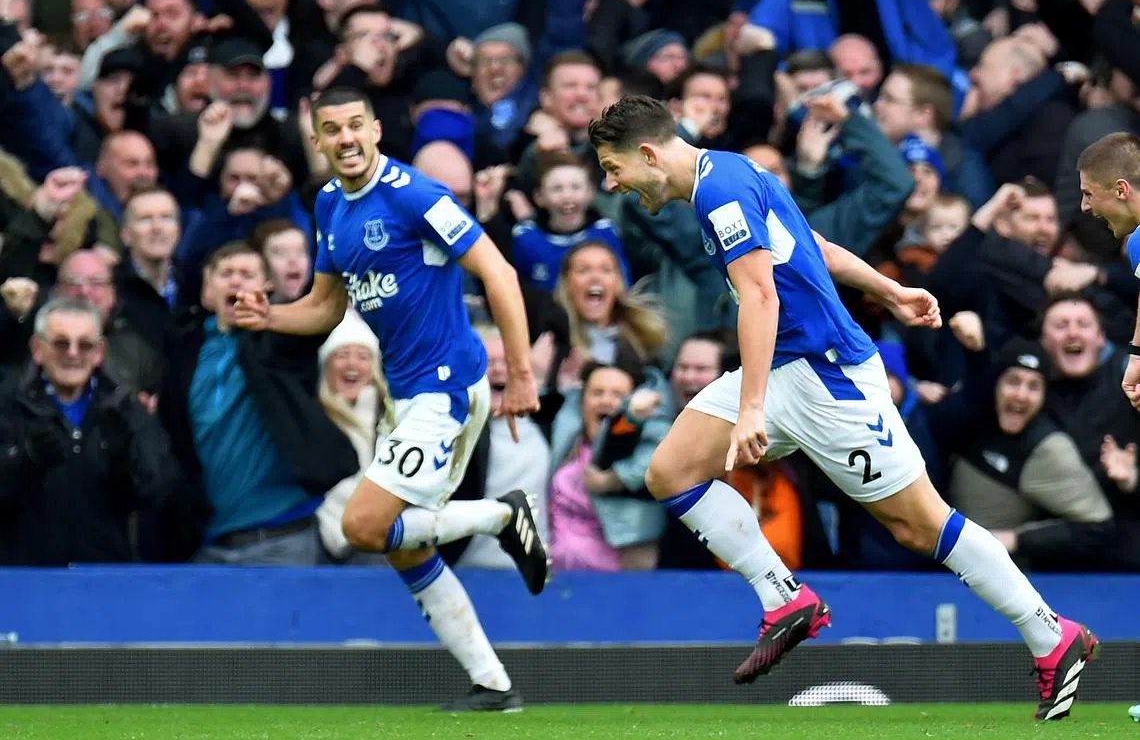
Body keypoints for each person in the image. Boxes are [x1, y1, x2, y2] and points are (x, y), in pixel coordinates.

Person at [587, 95, 1097, 722]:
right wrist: (890, 289)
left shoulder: (721, 192)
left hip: (826, 379)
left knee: (920, 524)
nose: (612, 184)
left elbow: (761, 299)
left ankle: (1052, 634)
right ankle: (784, 599)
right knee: (671, 471)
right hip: (781, 369)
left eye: (613, 168)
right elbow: (814, 245)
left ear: (647, 153)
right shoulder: (729, 172)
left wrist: (749, 411)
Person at [233, 86, 549, 712]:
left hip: (445, 388)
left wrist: (521, 374)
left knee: (362, 526)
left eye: (356, 126)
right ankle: (493, 685)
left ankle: (503, 515)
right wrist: (269, 317)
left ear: (376, 131)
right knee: (405, 545)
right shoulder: (329, 206)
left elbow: (500, 273)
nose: (346, 139)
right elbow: (326, 308)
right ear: (318, 141)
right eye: (332, 129)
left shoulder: (415, 195)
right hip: (404, 396)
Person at [1075, 132, 1140, 412]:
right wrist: (1137, 355)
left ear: (1121, 190)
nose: (1084, 206)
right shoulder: (1137, 242)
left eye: (1088, 193)